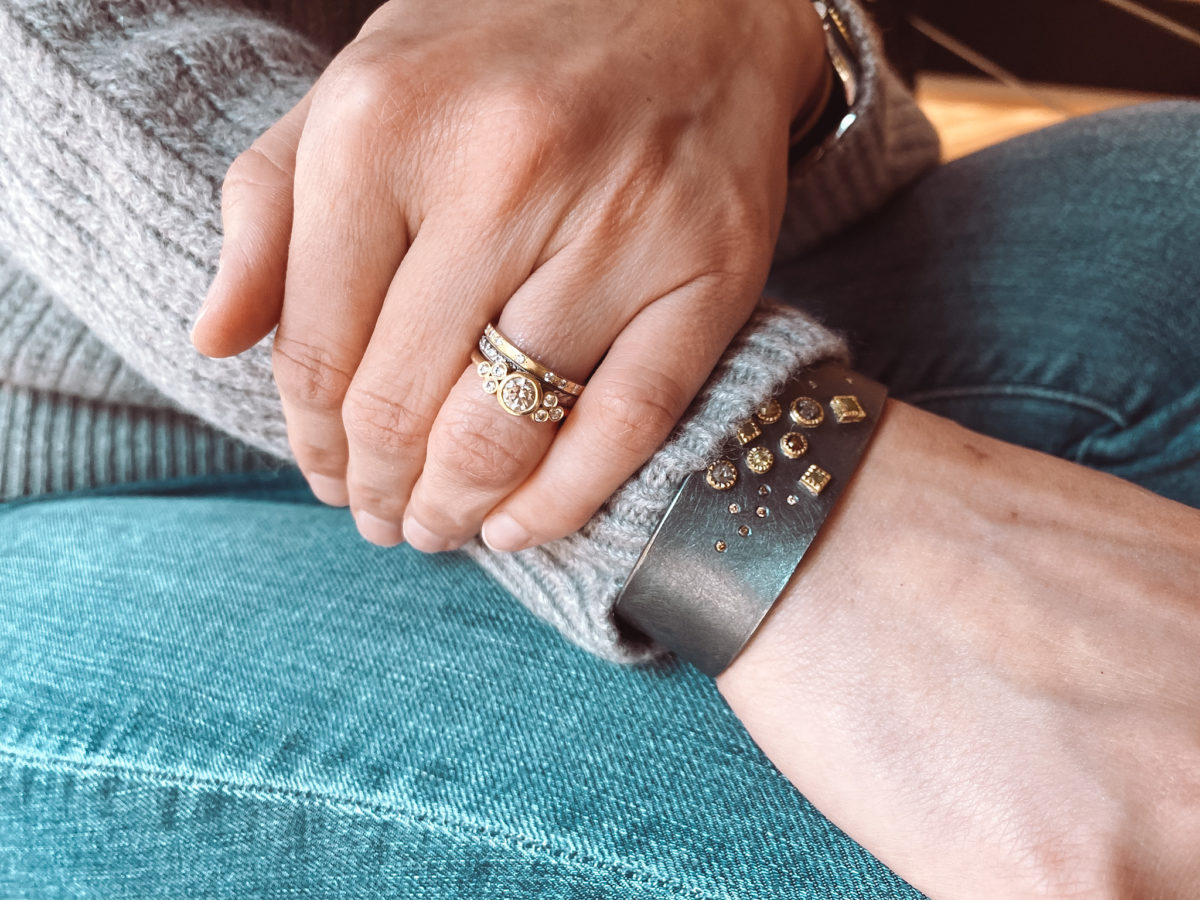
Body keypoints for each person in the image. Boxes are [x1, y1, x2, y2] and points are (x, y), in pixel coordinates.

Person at [0, 0, 1197, 896]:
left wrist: (753, 37)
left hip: (657, 307)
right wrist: (762, 501)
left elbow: (832, 158)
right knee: (914, 831)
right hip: (51, 484)